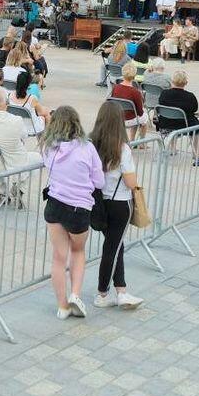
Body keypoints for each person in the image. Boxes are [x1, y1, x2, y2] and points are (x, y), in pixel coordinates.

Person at [83, 100, 147, 311]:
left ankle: (121, 290)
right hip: (120, 203)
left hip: (99, 202)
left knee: (116, 245)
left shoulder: (90, 144)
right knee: (112, 247)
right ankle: (103, 293)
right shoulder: (122, 149)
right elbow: (130, 182)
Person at [41, 106, 103, 319]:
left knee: (58, 257)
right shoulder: (87, 148)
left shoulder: (50, 148)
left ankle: (62, 306)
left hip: (55, 204)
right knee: (78, 251)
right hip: (78, 208)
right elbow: (99, 181)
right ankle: (75, 294)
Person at [111, 61, 149, 139]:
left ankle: (132, 139)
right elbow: (140, 112)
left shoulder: (115, 87)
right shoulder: (135, 92)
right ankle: (141, 141)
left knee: (136, 115)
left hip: (117, 117)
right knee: (145, 118)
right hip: (129, 119)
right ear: (134, 75)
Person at [7, 70, 49, 136]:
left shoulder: (9, 95)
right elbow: (41, 112)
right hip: (29, 129)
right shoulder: (32, 98)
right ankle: (47, 139)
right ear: (29, 84)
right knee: (46, 115)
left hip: (14, 126)